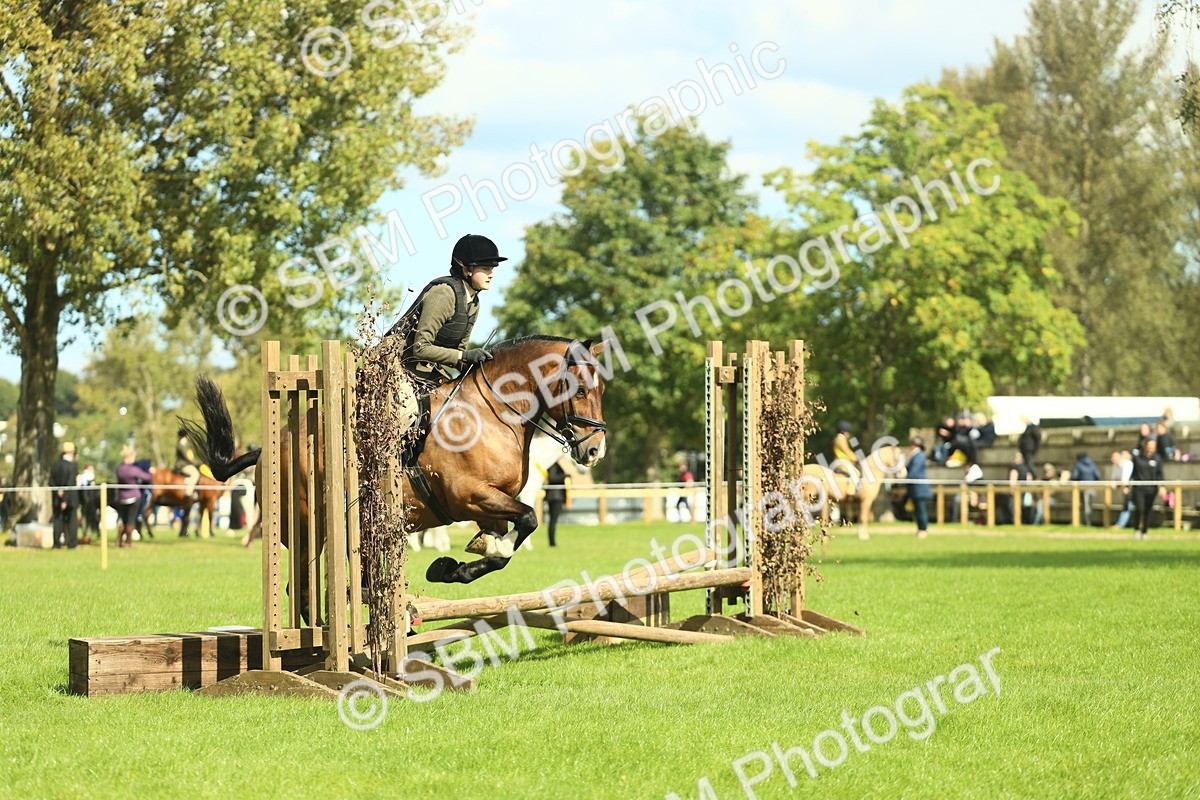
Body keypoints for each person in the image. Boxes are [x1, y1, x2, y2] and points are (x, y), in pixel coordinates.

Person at [385, 233, 507, 430]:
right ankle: (396, 459)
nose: (491, 274)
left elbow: (458, 351)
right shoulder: (444, 293)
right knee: (407, 413)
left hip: (424, 370)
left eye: (492, 268)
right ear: (466, 268)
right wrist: (464, 355)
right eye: (486, 268)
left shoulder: (473, 302)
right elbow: (420, 348)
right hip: (395, 364)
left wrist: (481, 371)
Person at [114, 446, 154, 548]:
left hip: (122, 498)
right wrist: (151, 472)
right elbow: (146, 477)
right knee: (131, 521)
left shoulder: (119, 469)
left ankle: (118, 542)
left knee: (123, 520)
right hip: (133, 497)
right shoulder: (133, 469)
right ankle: (128, 542)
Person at [1129, 438, 1166, 539]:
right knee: (1140, 509)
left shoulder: (1157, 458)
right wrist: (1128, 485)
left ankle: (1144, 532)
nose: (1150, 449)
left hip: (1151, 489)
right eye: (1149, 446)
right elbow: (1133, 472)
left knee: (1147, 511)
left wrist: (1162, 487)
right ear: (1145, 446)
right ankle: (1136, 530)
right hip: (1139, 488)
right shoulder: (1137, 458)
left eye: (1153, 447)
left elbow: (1160, 474)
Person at [49, 442, 80, 549]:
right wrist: (65, 500)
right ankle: (72, 543)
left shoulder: (55, 465)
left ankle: (56, 543)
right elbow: (70, 483)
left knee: (58, 521)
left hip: (57, 498)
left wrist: (58, 492)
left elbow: (51, 481)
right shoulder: (73, 466)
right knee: (72, 521)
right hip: (70, 499)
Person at [905, 436, 932, 538]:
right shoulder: (916, 456)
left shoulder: (919, 456)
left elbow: (914, 472)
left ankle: (923, 529)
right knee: (917, 510)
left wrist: (904, 478)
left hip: (919, 489)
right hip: (915, 489)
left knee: (921, 510)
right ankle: (920, 529)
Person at [1070, 452, 1102, 527]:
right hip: (1092, 486)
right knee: (1090, 505)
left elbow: (1075, 476)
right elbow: (1098, 475)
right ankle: (1089, 521)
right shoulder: (1092, 464)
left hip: (1083, 487)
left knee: (1085, 505)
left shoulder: (1078, 464)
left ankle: (1087, 523)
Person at [544, 460, 569, 547]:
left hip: (555, 496)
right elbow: (552, 478)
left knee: (553, 520)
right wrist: (565, 475)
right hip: (555, 496)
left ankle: (552, 542)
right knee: (553, 520)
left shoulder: (555, 464)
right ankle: (552, 543)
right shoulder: (553, 465)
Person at [1003, 452, 1032, 525]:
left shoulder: (1014, 468)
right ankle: (1024, 522)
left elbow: (1013, 479)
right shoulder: (1026, 468)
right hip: (1024, 491)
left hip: (1016, 492)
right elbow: (1029, 479)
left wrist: (1012, 489)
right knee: (1023, 507)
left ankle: (1015, 522)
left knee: (1013, 507)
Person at [1110, 450, 1134, 530]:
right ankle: (1120, 524)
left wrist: (1122, 486)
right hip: (1126, 488)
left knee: (1128, 506)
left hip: (1133, 488)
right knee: (1127, 506)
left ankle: (1120, 525)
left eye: (1114, 457)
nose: (1112, 459)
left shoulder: (1127, 464)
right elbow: (1114, 479)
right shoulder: (1115, 466)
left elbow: (1125, 479)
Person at [175, 428, 201, 500]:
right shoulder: (182, 443)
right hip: (182, 465)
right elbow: (187, 457)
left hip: (186, 464)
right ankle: (188, 493)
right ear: (185, 435)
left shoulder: (184, 443)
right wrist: (198, 463)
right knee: (195, 473)